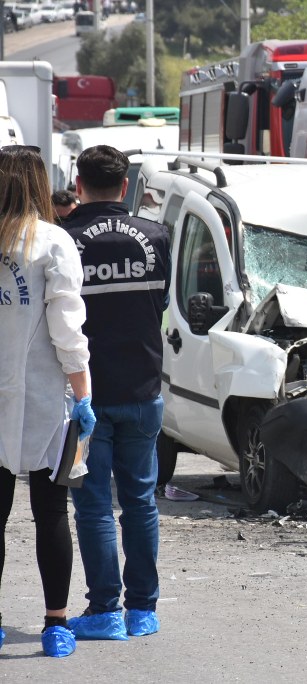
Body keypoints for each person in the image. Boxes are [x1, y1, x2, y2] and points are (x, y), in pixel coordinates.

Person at [62, 145, 170, 641]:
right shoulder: (156, 235)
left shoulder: (66, 241)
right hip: (144, 389)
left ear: (78, 185)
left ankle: (105, 610)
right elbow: (160, 303)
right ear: (125, 186)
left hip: (84, 396)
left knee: (93, 506)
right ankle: (143, 611)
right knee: (141, 501)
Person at [0, 146, 94, 658]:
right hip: (45, 398)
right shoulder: (53, 241)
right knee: (51, 512)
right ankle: (56, 622)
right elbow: (67, 329)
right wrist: (84, 395)